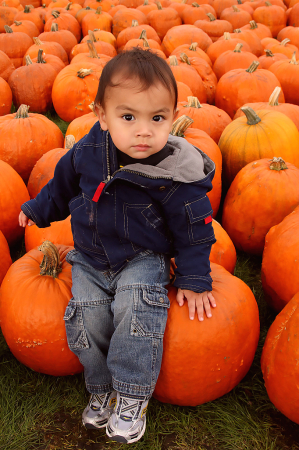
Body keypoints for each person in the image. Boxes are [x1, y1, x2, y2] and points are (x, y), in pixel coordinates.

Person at [19, 48, 217, 444]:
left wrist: (195, 277)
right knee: (86, 317)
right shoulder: (85, 154)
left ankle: (131, 394)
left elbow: (194, 226)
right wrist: (37, 210)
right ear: (102, 116)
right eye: (129, 117)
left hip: (143, 258)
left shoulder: (174, 174)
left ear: (173, 116)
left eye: (157, 118)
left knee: (136, 307)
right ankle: (102, 386)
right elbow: (60, 189)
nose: (144, 131)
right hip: (91, 257)